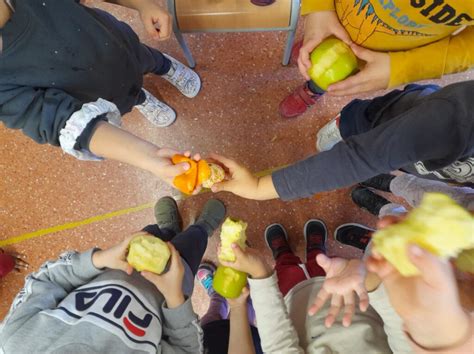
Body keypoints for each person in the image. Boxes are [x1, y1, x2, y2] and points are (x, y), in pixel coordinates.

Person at [0, 0, 201, 186]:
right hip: (96, 96)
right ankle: (140, 98)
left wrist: (142, 4)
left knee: (144, 58)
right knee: (124, 100)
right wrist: (151, 157)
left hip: (114, 43)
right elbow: (58, 122)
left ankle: (164, 65)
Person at [0, 196, 226, 352]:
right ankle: (202, 228)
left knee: (153, 235)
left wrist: (100, 259)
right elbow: (188, 350)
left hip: (121, 262)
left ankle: (168, 229)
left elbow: (45, 280)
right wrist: (175, 298)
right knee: (191, 245)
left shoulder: (12, 341)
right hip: (172, 285)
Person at [210, 81, 474, 201]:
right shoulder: (458, 115)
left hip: (419, 159)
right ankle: (341, 125)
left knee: (391, 155)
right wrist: (258, 187)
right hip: (389, 118)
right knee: (358, 123)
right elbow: (358, 158)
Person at [218, 218, 413, 353]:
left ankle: (283, 254)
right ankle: (316, 250)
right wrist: (371, 283)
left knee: (286, 269)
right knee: (320, 261)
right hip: (350, 291)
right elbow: (404, 330)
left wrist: (261, 274)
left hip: (293, 302)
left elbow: (279, 347)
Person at [279, 0, 474, 118]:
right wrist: (319, 8)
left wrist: (400, 68)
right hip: (333, 15)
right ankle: (312, 44)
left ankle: (314, 88)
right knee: (314, 42)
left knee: (335, 78)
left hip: (380, 54)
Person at [196, 262, 263, 354]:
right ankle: (247, 288)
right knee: (245, 316)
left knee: (213, 315)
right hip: (249, 344)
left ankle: (217, 293)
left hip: (207, 340)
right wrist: (238, 306)